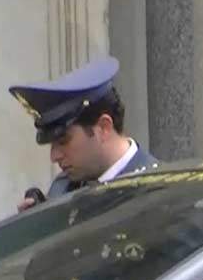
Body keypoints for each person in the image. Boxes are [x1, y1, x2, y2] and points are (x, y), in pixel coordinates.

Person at [9, 56, 158, 211]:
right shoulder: (62, 187)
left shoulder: (158, 193)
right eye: (51, 144)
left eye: (63, 140)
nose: (54, 157)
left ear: (103, 128)